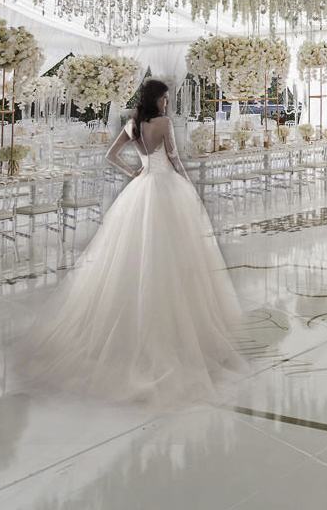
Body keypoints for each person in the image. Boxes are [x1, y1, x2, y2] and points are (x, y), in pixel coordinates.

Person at [14, 79, 246, 409]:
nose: (167, 103)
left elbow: (112, 155)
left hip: (143, 186)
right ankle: (177, 328)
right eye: (165, 98)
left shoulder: (133, 123)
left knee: (133, 254)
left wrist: (133, 171)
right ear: (158, 99)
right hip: (166, 187)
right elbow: (175, 158)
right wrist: (192, 190)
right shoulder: (164, 123)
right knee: (173, 254)